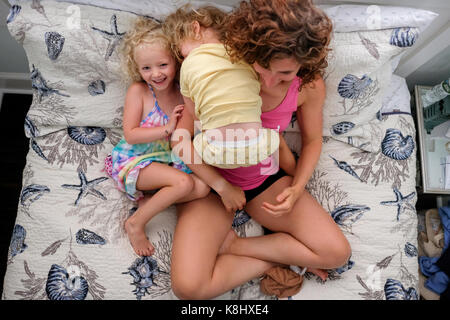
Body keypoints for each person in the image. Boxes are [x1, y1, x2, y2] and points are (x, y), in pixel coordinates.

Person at [168, 0, 352, 300]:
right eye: (262, 68)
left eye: (284, 74)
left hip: (264, 181)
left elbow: (313, 141)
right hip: (212, 183)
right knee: (189, 289)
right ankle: (273, 258)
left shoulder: (309, 86)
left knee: (336, 253)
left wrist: (298, 187)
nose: (268, 81)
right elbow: (181, 141)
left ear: (304, 66)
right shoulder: (217, 67)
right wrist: (220, 185)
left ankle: (235, 247)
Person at [108, 17, 210, 257]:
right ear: (137, 69)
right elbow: (131, 135)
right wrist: (167, 128)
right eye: (146, 68)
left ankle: (153, 198)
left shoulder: (182, 91)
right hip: (136, 160)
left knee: (204, 187)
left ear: (175, 60)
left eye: (162, 65)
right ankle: (135, 223)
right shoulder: (140, 92)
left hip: (166, 160)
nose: (155, 74)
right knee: (183, 183)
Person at [163, 5, 297, 173]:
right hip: (257, 148)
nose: (183, 58)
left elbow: (196, 115)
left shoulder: (188, 66)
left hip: (215, 153)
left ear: (195, 28)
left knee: (199, 140)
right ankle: (293, 173)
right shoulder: (242, 56)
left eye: (181, 52)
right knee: (273, 137)